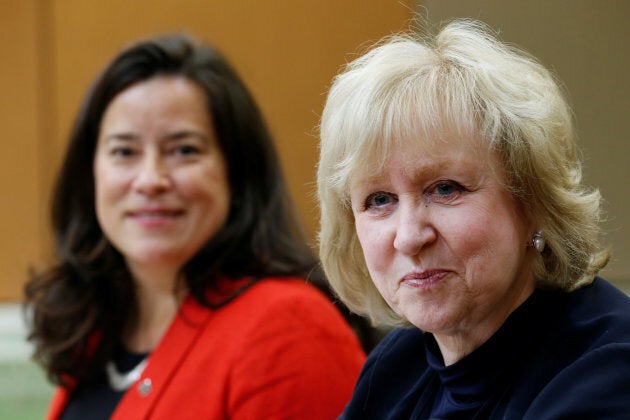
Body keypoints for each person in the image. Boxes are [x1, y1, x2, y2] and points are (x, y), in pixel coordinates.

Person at [24, 33, 366, 420]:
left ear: (236, 173)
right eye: (124, 152)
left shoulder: (290, 327)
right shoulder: (96, 331)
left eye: (184, 150)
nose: (150, 179)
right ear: (91, 177)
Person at [317, 18, 630, 419]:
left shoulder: (609, 374)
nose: (409, 237)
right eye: (380, 199)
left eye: (446, 189)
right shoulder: (399, 365)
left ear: (533, 200)